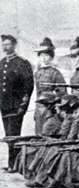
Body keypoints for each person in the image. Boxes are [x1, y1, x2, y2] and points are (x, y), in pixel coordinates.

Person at [0, 34, 34, 171]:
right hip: (4, 105)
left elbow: (28, 86)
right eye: (3, 45)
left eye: (7, 44)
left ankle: (15, 165)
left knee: (14, 134)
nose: (4, 47)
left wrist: (23, 106)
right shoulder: (2, 62)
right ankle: (12, 163)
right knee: (9, 135)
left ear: (14, 46)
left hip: (16, 106)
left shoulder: (22, 63)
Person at [14, 94, 62, 181]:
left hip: (52, 145)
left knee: (28, 150)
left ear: (48, 107)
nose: (39, 110)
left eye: (41, 107)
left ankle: (33, 175)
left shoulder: (50, 122)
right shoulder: (50, 119)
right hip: (50, 142)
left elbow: (47, 137)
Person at [32, 37, 67, 136]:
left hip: (50, 109)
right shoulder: (37, 73)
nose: (43, 58)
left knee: (48, 133)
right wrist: (35, 110)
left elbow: (62, 93)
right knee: (38, 134)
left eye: (46, 55)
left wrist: (56, 105)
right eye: (41, 55)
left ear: (51, 57)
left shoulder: (56, 73)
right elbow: (37, 93)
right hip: (39, 109)